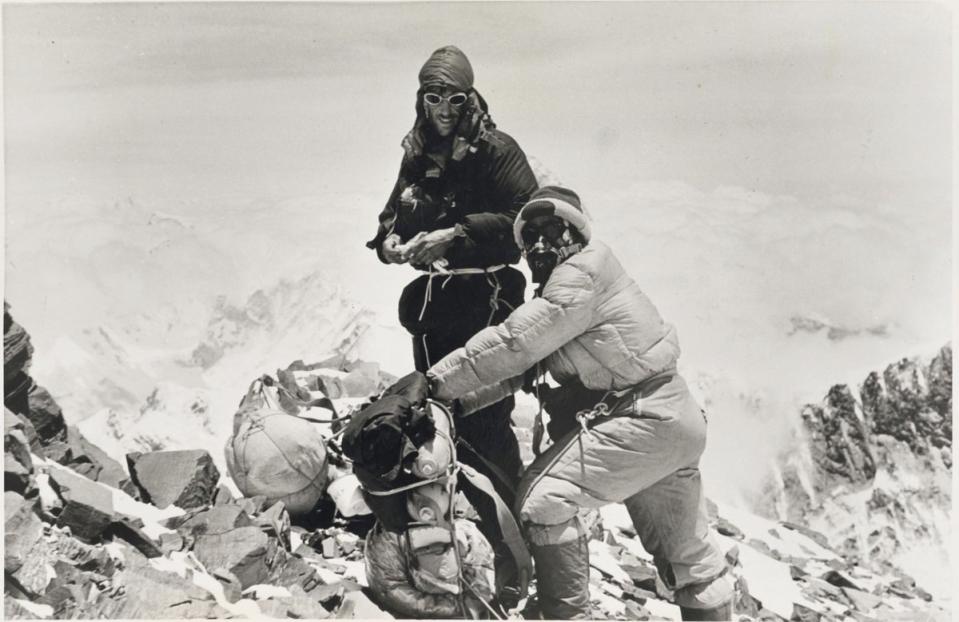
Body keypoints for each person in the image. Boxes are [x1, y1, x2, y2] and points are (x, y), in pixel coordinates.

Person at [426, 186, 735, 621]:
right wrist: (455, 403)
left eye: (551, 229)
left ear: (577, 232)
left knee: (542, 500)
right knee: (690, 557)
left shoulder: (580, 275)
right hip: (672, 421)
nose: (538, 244)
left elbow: (514, 345)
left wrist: (430, 384)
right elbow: (523, 369)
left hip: (642, 418)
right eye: (528, 236)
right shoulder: (575, 290)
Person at [367, 45, 539, 492]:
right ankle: (458, 513)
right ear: (421, 99)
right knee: (437, 409)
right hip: (436, 304)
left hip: (488, 300)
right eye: (433, 97)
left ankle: (507, 517)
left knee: (484, 415)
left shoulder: (498, 151)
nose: (443, 109)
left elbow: (526, 216)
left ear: (470, 98)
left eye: (455, 98)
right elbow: (392, 217)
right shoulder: (418, 152)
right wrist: (390, 243)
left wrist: (455, 234)